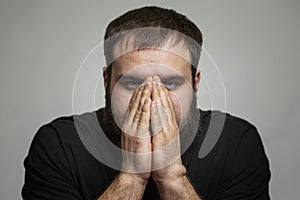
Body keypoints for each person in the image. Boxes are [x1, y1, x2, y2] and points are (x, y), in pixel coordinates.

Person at [21, 6, 271, 200]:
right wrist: (132, 176)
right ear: (107, 81)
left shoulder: (237, 143)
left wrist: (173, 177)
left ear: (195, 83)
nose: (151, 100)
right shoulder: (58, 145)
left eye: (171, 83)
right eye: (132, 83)